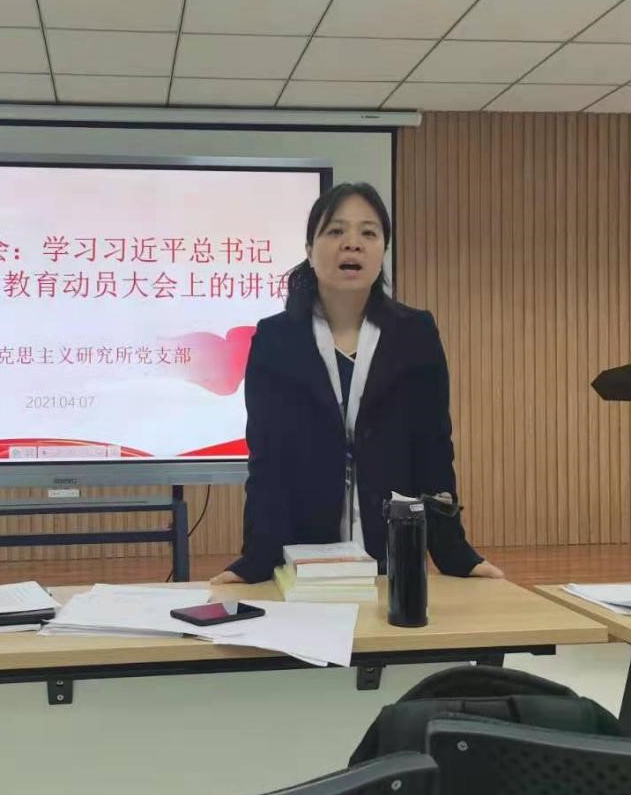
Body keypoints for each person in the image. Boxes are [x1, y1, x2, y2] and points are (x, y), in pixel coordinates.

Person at [210, 182, 503, 585]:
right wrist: (256, 560)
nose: (353, 243)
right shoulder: (277, 339)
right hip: (304, 558)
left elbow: (434, 451)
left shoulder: (415, 333)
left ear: (383, 251)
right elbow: (268, 461)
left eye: (369, 232)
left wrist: (455, 553)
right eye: (335, 231)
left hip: (395, 555)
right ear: (310, 250)